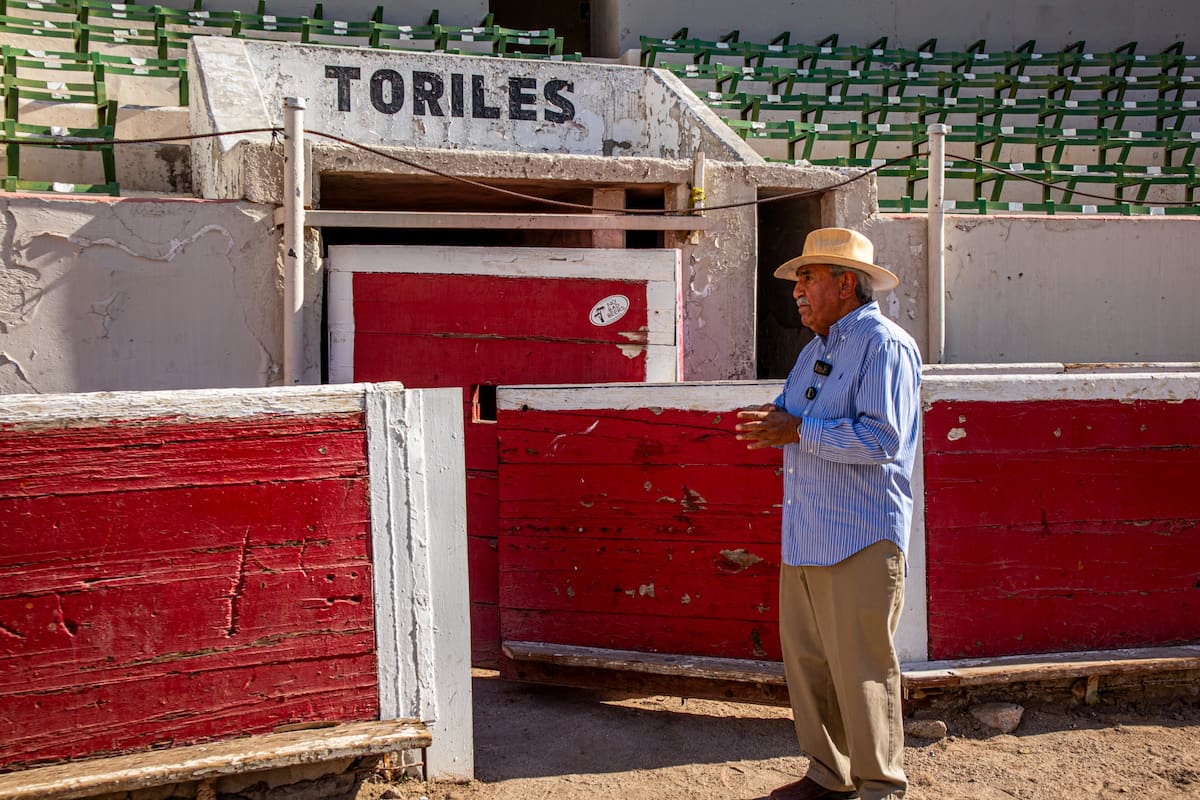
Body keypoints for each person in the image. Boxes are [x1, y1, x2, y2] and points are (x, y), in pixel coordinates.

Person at [735, 227, 922, 800]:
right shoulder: (815, 350)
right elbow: (791, 415)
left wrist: (795, 429)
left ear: (846, 284)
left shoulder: (884, 344)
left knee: (862, 666)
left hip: (861, 533)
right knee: (813, 664)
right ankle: (829, 775)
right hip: (810, 529)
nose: (797, 290)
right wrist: (774, 421)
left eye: (808, 277)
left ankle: (880, 786)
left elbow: (883, 438)